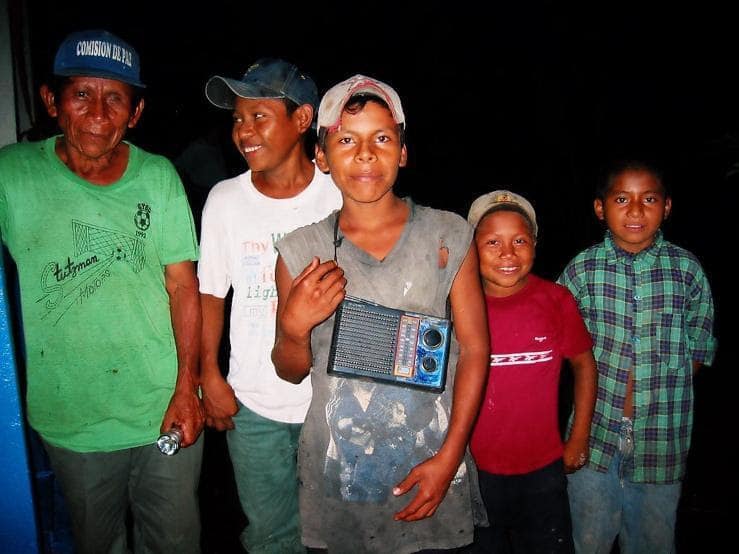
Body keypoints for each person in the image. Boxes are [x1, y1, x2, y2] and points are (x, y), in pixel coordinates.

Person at [0, 29, 203, 553]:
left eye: (115, 98)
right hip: (73, 420)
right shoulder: (12, 175)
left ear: (135, 114)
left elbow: (184, 286)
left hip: (163, 407)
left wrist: (188, 386)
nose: (98, 113)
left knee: (176, 544)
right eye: (81, 94)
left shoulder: (158, 178)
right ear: (52, 102)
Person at [271, 74, 490, 553]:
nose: (366, 154)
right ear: (322, 157)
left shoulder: (447, 235)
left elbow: (475, 349)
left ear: (403, 152)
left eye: (382, 138)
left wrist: (450, 458)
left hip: (433, 467)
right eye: (347, 140)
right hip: (340, 479)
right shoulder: (300, 251)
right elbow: (289, 371)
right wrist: (292, 328)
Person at [197, 58, 342, 553]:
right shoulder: (224, 200)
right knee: (269, 534)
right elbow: (210, 293)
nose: (244, 131)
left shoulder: (339, 195)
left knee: (333, 532)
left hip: (331, 402)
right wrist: (208, 376)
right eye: (238, 119)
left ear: (302, 120)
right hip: (252, 402)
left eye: (259, 116)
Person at [558, 161, 717, 552]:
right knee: (589, 538)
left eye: (648, 199)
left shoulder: (687, 270)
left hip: (662, 438)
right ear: (600, 208)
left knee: (653, 539)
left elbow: (698, 346)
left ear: (666, 207)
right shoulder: (581, 269)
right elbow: (557, 341)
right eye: (621, 199)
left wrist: (661, 389)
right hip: (593, 435)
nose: (635, 210)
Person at [465, 190, 597, 553]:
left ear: (535, 245)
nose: (507, 253)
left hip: (543, 468)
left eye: (519, 240)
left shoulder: (556, 300)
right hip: (475, 469)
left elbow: (584, 364)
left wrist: (579, 438)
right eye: (492, 241)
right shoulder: (459, 305)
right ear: (470, 248)